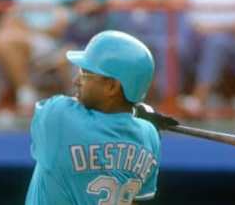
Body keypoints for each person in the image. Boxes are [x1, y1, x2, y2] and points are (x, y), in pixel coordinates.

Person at [26, 30, 168, 204]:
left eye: (85, 73)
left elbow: (60, 107)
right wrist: (135, 114)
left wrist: (137, 111)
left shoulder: (57, 116)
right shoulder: (149, 136)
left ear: (111, 87)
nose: (76, 80)